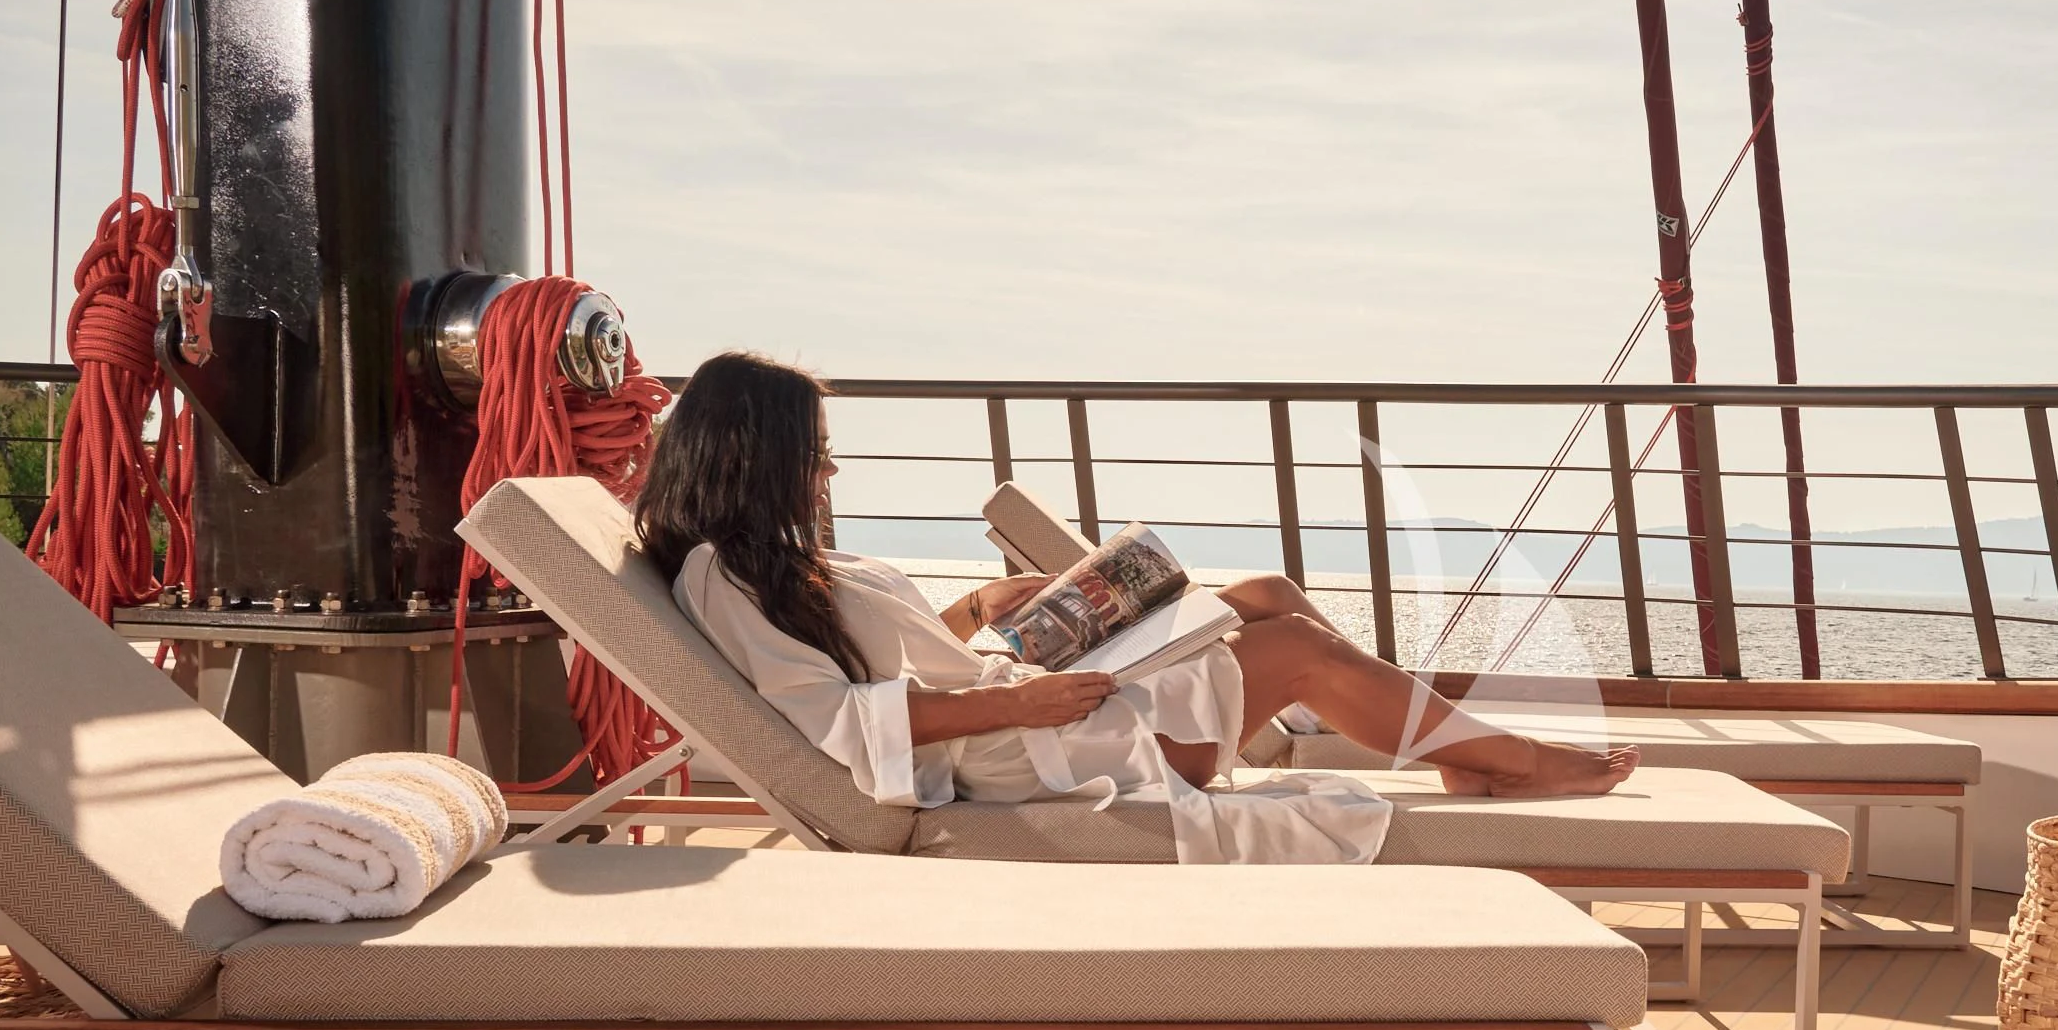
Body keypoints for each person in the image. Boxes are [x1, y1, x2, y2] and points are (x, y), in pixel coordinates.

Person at [633, 352, 1635, 865]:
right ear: (756, 454)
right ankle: (1502, 759)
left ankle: (1468, 756)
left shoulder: (776, 567)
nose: (831, 466)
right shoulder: (727, 578)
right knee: (1289, 649)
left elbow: (884, 668)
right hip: (1019, 750)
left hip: (1013, 706)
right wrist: (1021, 705)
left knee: (1265, 597)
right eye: (816, 447)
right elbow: (838, 723)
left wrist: (982, 606)